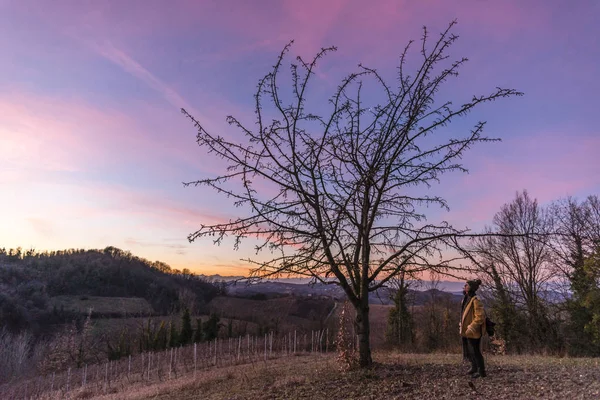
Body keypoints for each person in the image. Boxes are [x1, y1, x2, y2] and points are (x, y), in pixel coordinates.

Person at [460, 279, 486, 378]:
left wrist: (471, 327)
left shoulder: (475, 300)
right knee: (470, 350)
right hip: (467, 330)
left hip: (473, 331)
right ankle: (474, 367)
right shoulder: (466, 298)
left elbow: (480, 316)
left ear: (470, 287)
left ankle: (481, 371)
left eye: (466, 285)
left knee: (475, 351)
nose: (464, 286)